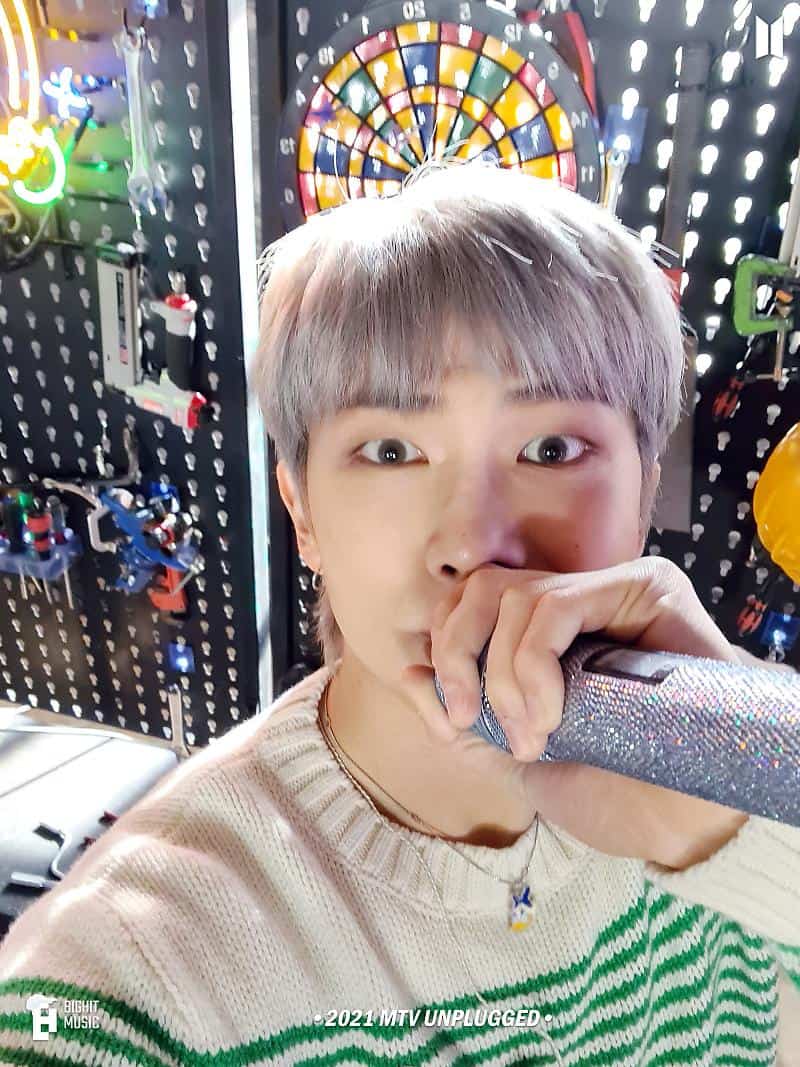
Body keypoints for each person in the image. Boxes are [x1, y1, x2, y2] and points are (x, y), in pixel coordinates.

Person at [1, 157, 798, 1066]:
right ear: (302, 511)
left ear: (646, 490)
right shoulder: (126, 975)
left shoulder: (747, 772)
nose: (473, 541)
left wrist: (735, 809)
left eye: (551, 447)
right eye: (390, 449)